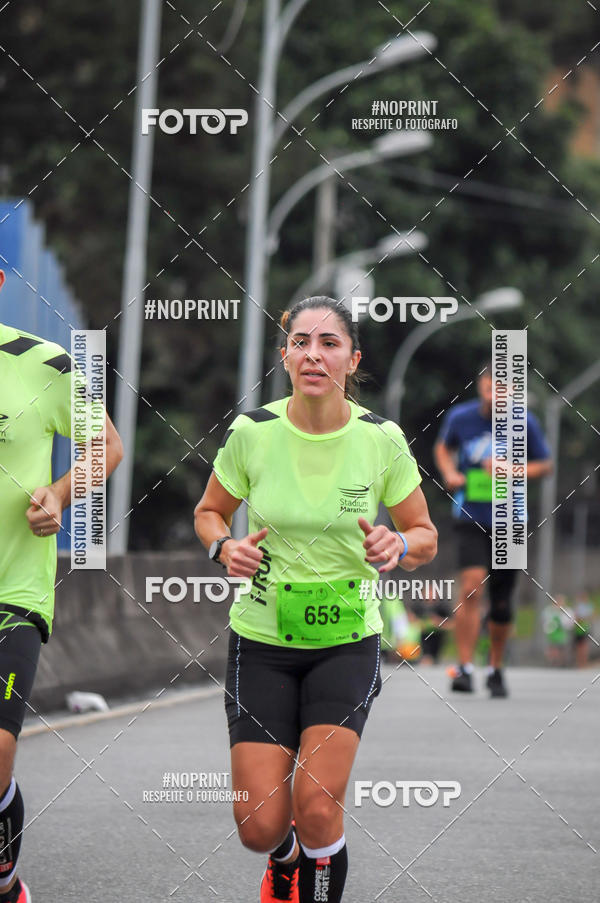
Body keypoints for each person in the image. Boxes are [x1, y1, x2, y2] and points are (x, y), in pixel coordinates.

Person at [194, 296, 437, 903]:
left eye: (329, 344)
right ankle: (283, 861)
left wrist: (399, 542)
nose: (313, 355)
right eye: (301, 342)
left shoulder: (380, 439)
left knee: (319, 807)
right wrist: (224, 547)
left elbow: (424, 535)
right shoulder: (253, 431)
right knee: (259, 826)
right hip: (262, 641)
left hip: (346, 642)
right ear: (285, 356)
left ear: (352, 359)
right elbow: (209, 512)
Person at [0, 269, 123, 903]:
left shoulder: (40, 362)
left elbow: (107, 445)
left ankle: (4, 882)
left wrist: (60, 492)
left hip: (12, 592)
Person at [434, 362, 552, 697]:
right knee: (471, 588)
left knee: (501, 600)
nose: (494, 395)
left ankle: (496, 668)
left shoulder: (525, 422)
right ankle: (465, 668)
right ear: (480, 387)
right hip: (470, 513)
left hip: (511, 519)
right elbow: (443, 448)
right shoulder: (460, 417)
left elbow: (545, 465)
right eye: (489, 387)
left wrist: (511, 469)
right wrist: (450, 473)